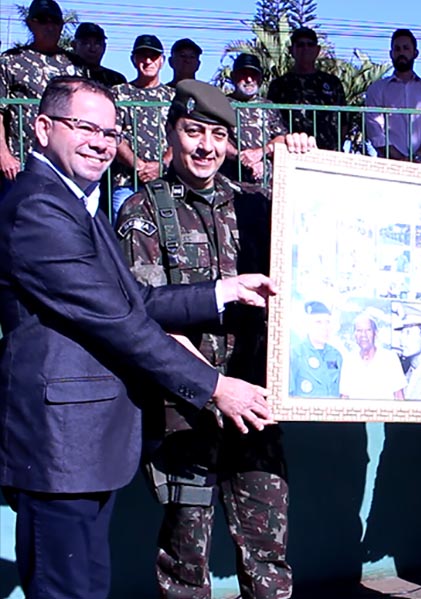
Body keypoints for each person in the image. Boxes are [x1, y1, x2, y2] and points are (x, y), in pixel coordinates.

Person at [0, 76, 276, 599]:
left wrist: (223, 290)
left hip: (81, 445)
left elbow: (138, 302)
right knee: (68, 590)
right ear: (41, 128)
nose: (101, 142)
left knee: (85, 585)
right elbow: (119, 323)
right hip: (59, 445)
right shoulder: (39, 207)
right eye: (84, 127)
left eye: (110, 131)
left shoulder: (75, 202)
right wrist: (215, 387)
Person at [116, 80, 313, 599]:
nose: (206, 146)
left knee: (269, 559)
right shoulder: (142, 211)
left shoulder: (255, 205)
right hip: (186, 412)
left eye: (218, 135)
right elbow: (144, 315)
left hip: (256, 408)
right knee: (185, 566)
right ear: (172, 133)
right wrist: (213, 385)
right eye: (193, 131)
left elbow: (320, 250)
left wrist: (306, 165)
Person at [0, 0, 84, 190]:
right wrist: (3, 155)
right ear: (30, 23)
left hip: (66, 165)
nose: (48, 26)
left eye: (54, 21)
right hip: (21, 164)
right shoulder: (9, 61)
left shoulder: (77, 66)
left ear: (62, 25)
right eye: (41, 20)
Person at [112, 34, 173, 221]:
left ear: (162, 61)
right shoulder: (119, 93)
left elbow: (180, 136)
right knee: (123, 237)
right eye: (142, 56)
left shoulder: (173, 96)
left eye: (153, 56)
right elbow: (113, 134)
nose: (147, 61)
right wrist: (138, 165)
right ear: (133, 59)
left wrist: (161, 166)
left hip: (166, 182)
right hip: (126, 183)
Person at [364, 28, 421, 163]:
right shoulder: (377, 89)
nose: (401, 53)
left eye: (406, 48)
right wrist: (399, 159)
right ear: (391, 54)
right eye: (397, 49)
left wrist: (417, 157)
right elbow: (375, 130)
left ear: (415, 53)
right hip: (388, 166)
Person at [267, 27, 347, 151]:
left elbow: (344, 120)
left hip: (327, 151)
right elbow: (271, 120)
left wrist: (336, 144)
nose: (305, 49)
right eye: (300, 45)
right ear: (291, 50)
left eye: (310, 45)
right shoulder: (280, 84)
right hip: (292, 151)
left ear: (317, 50)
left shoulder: (332, 83)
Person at [224, 53, 287, 183]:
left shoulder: (269, 106)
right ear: (233, 77)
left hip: (265, 180)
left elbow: (281, 137)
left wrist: (260, 153)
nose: (248, 79)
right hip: (231, 180)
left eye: (253, 74)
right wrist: (242, 157)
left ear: (260, 78)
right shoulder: (222, 104)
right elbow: (215, 137)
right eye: (243, 74)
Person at [339, 312, 406, 400]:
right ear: (354, 335)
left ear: (375, 333)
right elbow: (344, 397)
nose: (363, 335)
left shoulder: (390, 359)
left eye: (368, 330)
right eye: (359, 331)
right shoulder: (349, 361)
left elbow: (399, 396)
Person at [289, 301, 343, 397]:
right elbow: (288, 396)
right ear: (307, 325)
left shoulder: (336, 355)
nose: (325, 327)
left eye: (327, 322)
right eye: (318, 322)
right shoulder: (295, 354)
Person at [72, 22, 126, 88]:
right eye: (85, 43)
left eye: (97, 44)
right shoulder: (65, 74)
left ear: (104, 47)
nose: (92, 49)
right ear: (74, 45)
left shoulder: (116, 79)